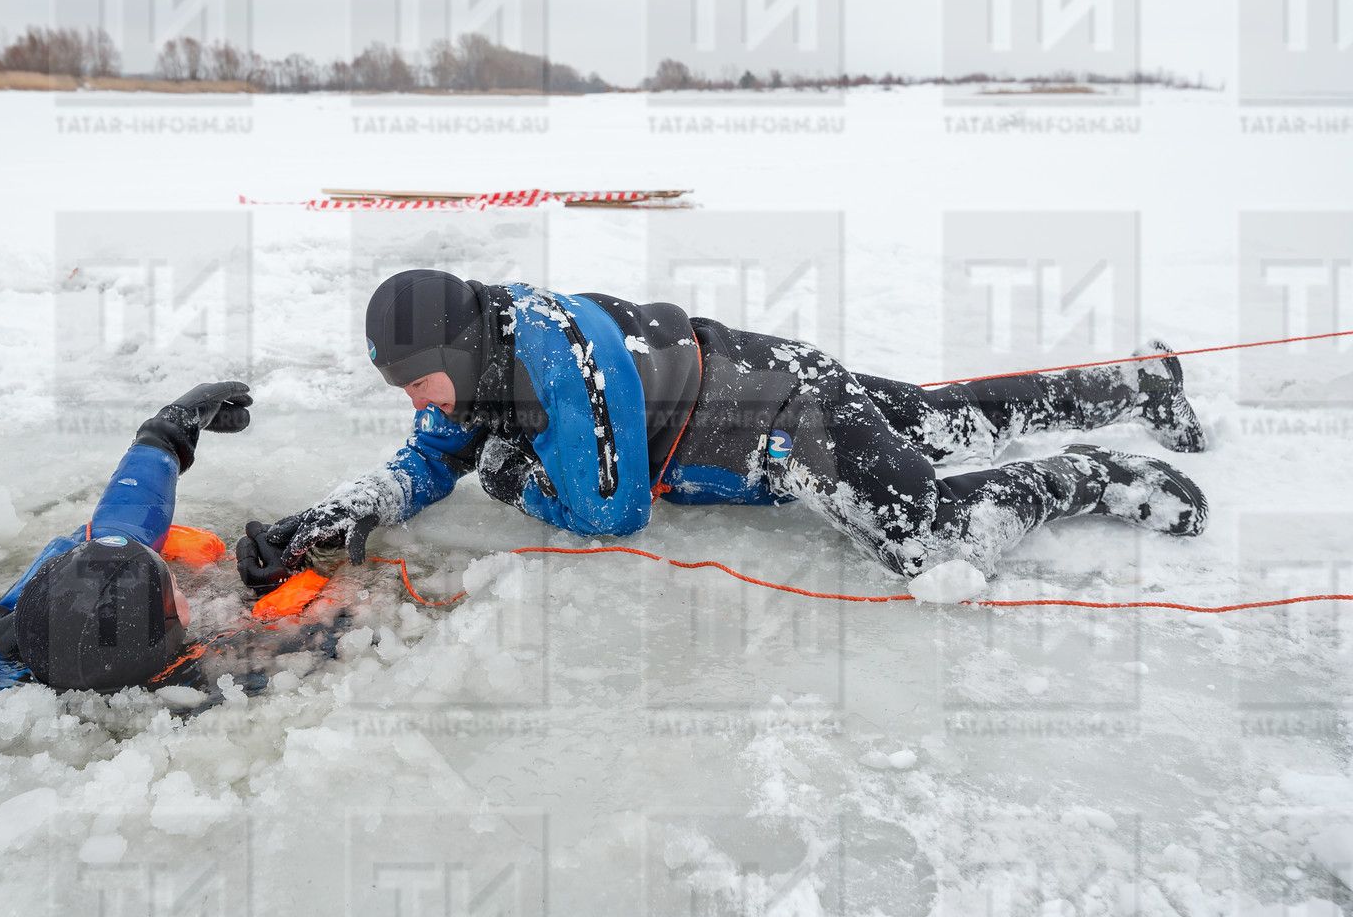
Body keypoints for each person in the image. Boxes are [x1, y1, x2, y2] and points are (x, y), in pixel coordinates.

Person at [235, 271, 1207, 592]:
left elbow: (606, 511)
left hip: (787, 419)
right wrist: (339, 512)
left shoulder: (559, 367)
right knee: (951, 421)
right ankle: (1131, 381)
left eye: (419, 381)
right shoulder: (479, 373)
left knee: (931, 540)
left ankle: (1084, 475)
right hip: (786, 375)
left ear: (454, 346)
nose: (420, 403)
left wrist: (509, 480)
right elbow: (427, 458)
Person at [0, 382, 252, 690]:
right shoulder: (196, 689)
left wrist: (163, 438)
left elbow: (116, 532)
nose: (169, 570)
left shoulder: (6, 631)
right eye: (170, 587)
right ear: (166, 636)